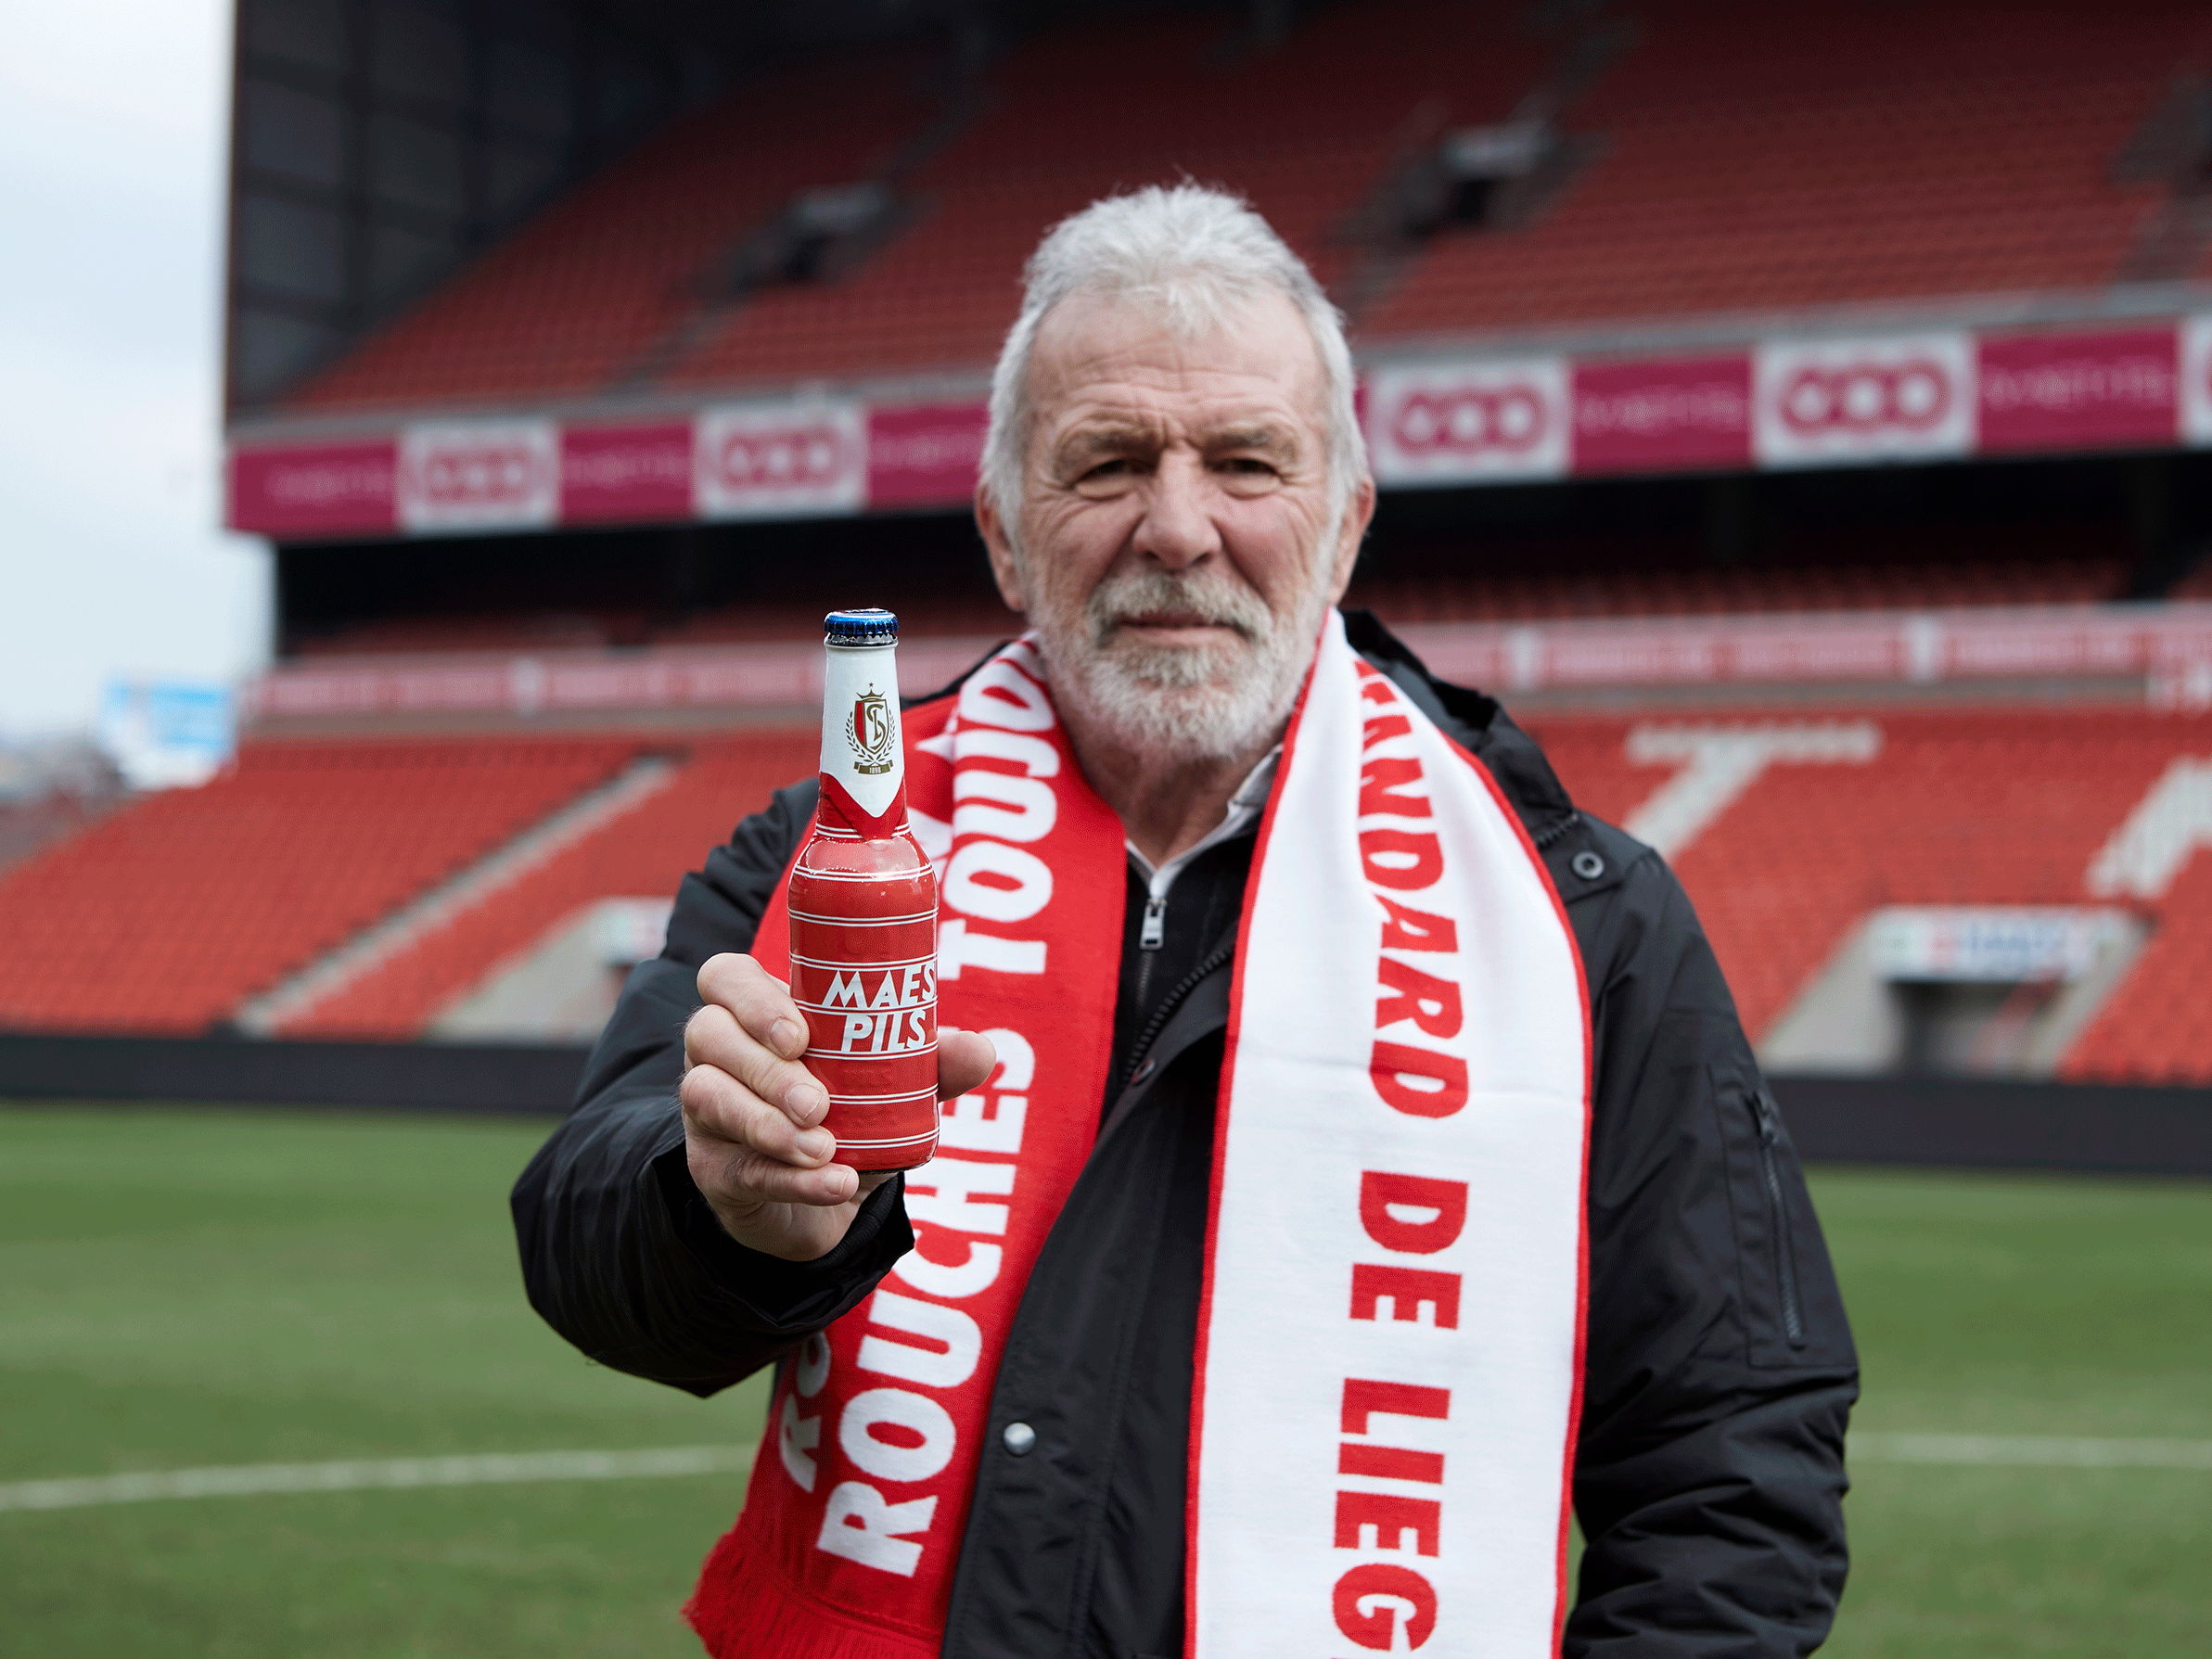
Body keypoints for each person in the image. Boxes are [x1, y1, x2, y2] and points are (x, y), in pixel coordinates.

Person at [513, 185, 1855, 1659]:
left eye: (1244, 462)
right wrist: (724, 1216)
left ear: (1341, 529)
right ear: (1006, 538)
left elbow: (1731, 1456)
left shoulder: (1585, 919)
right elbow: (588, 1243)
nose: (1177, 524)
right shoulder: (826, 862)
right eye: (1105, 463)